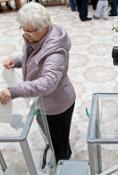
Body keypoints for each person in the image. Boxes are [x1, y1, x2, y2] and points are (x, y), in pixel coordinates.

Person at [0, 2, 76, 165]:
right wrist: (17, 61)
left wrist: (13, 91)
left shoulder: (56, 52)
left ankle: (63, 162)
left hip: (57, 105)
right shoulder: (38, 37)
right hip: (43, 102)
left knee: (59, 140)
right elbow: (36, 58)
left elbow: (47, 83)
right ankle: (55, 150)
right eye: (23, 29)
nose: (26, 35)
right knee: (50, 134)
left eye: (30, 31)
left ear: (45, 26)